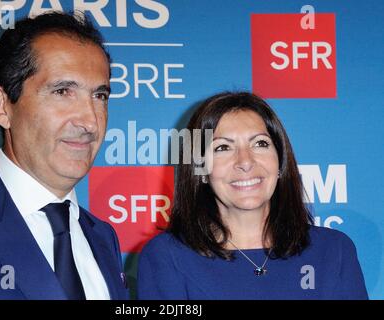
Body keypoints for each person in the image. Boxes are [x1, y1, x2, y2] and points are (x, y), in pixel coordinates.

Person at [0, 12, 129, 300]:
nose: (90, 121)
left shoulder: (102, 236)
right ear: (1, 106)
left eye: (99, 96)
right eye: (63, 91)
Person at [137, 91, 368, 299]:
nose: (245, 162)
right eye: (222, 148)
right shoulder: (166, 257)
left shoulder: (333, 251)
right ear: (201, 171)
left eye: (260, 143)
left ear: (280, 162)